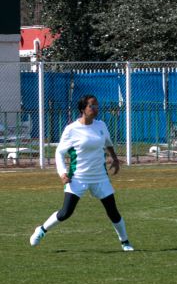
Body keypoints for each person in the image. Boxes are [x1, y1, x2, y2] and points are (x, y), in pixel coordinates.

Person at [29, 94, 134, 251]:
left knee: (113, 211)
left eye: (96, 105)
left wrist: (115, 158)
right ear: (82, 109)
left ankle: (125, 242)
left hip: (99, 177)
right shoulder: (71, 129)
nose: (95, 108)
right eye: (91, 105)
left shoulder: (101, 125)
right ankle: (41, 230)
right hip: (77, 177)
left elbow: (107, 142)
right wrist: (62, 173)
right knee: (66, 212)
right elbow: (59, 153)